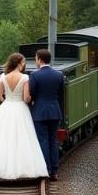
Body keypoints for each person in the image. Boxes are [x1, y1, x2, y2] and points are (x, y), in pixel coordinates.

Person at [0, 53, 48, 180]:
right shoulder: (25, 78)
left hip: (6, 108)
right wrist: (29, 100)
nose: (24, 65)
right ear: (18, 63)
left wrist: (7, 101)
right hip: (20, 108)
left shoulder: (3, 77)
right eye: (23, 62)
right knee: (22, 138)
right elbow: (26, 98)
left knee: (1, 138)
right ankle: (22, 169)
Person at [28, 49, 64, 181]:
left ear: (40, 60)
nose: (36, 61)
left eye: (36, 58)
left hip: (39, 112)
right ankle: (54, 170)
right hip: (55, 111)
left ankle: (45, 169)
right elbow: (60, 94)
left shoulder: (35, 75)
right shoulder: (59, 75)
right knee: (53, 140)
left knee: (43, 140)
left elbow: (31, 94)